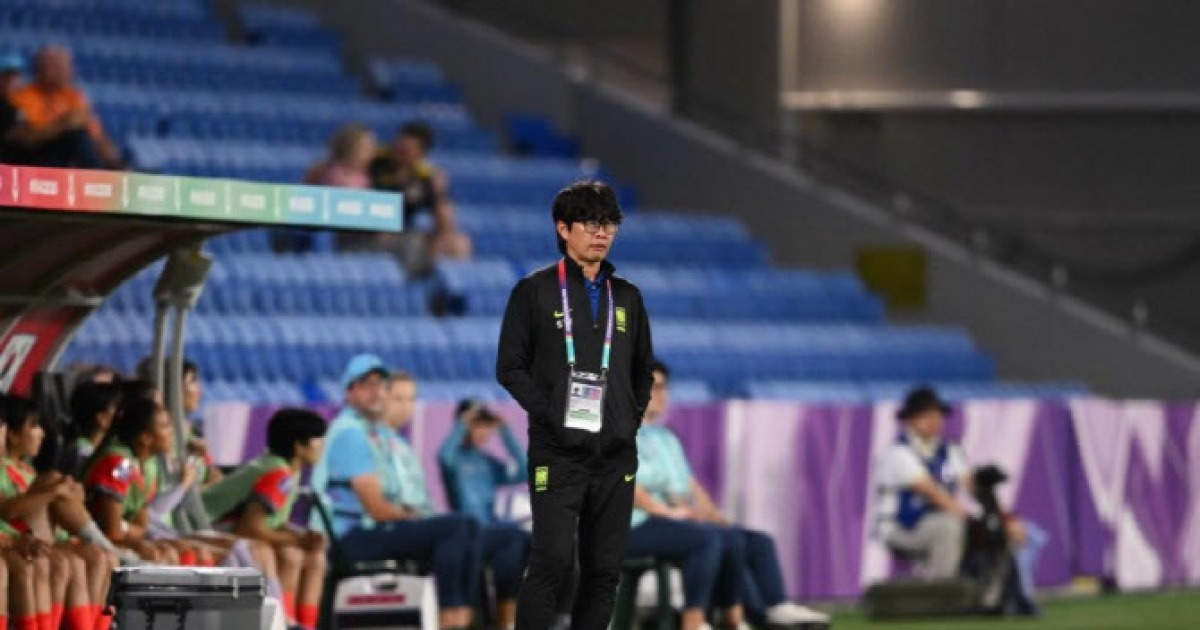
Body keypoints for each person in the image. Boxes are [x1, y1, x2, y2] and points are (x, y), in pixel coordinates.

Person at [496, 180, 655, 630]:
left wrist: (628, 421)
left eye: (609, 224)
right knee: (553, 561)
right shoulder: (534, 291)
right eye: (590, 223)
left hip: (615, 454)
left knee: (604, 570)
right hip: (558, 452)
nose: (601, 232)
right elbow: (510, 368)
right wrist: (551, 417)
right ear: (563, 228)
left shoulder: (628, 297)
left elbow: (644, 370)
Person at [629, 363, 829, 629]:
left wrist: (711, 515)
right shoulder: (618, 433)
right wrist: (668, 512)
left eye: (664, 388)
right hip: (630, 525)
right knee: (708, 539)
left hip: (666, 519)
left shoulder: (665, 438)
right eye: (655, 388)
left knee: (749, 540)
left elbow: (685, 486)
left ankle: (769, 609)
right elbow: (624, 484)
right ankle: (698, 620)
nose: (662, 395)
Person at [310, 355, 480, 630]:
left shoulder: (371, 433)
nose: (376, 392)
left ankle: (463, 615)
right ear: (349, 392)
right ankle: (450, 617)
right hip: (350, 537)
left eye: (381, 385)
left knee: (468, 527)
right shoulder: (350, 434)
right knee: (455, 527)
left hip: (369, 530)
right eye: (366, 385)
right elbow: (377, 509)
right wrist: (412, 518)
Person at [0, 394, 122, 630]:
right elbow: (7, 511)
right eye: (34, 426)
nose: (42, 434)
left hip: (33, 535)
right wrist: (55, 492)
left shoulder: (27, 469)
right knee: (41, 564)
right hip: (20, 537)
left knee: (97, 559)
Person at [203, 408, 328, 630]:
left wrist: (300, 535)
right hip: (206, 527)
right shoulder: (278, 474)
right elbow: (249, 529)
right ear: (299, 446)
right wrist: (297, 540)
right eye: (318, 440)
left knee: (315, 557)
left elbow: (272, 522)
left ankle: (306, 626)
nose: (323, 446)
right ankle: (284, 621)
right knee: (291, 555)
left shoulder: (288, 468)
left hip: (232, 530)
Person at [367, 121, 472, 272]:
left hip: (401, 234)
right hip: (367, 231)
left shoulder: (426, 177)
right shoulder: (374, 160)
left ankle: (443, 284)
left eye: (406, 151)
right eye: (397, 146)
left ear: (421, 154)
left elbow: (443, 217)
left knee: (458, 244)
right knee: (412, 244)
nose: (399, 153)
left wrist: (440, 196)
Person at [9, 46, 122, 168]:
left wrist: (117, 162)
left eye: (67, 67)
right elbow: (25, 139)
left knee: (88, 138)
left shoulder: (73, 96)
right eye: (59, 67)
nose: (68, 72)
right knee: (76, 134)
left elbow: (96, 135)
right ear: (42, 69)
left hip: (64, 158)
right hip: (34, 158)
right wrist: (64, 124)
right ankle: (95, 175)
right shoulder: (22, 97)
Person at [304, 123, 376, 189]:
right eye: (365, 148)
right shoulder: (329, 171)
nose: (372, 152)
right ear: (350, 148)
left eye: (372, 147)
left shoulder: (373, 173)